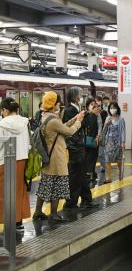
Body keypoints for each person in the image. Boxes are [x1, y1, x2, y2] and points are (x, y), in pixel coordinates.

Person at [33, 91, 84, 222]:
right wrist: (78, 123)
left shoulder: (46, 116)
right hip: (56, 158)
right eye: (58, 102)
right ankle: (54, 214)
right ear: (53, 104)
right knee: (57, 185)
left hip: (49, 157)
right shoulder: (53, 120)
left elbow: (61, 127)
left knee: (45, 185)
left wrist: (75, 118)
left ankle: (38, 212)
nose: (60, 105)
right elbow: (68, 131)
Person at [62, 87, 98, 209]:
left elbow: (85, 124)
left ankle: (86, 199)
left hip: (79, 146)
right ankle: (71, 202)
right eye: (80, 95)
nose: (82, 97)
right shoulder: (70, 110)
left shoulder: (76, 109)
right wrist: (87, 115)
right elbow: (75, 127)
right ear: (75, 97)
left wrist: (89, 114)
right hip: (74, 147)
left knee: (82, 174)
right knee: (75, 175)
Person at [0, 98, 31, 230]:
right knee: (19, 192)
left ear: (5, 110)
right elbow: (28, 143)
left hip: (5, 160)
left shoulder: (3, 123)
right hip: (21, 160)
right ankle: (18, 223)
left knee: (4, 194)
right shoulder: (25, 123)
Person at [104, 102, 126, 182]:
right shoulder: (107, 118)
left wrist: (123, 142)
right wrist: (106, 124)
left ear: (117, 109)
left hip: (117, 142)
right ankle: (108, 177)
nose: (112, 110)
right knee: (107, 159)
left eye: (114, 108)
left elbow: (123, 131)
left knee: (118, 159)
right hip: (108, 142)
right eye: (111, 108)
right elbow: (104, 130)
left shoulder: (121, 119)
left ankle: (120, 172)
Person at [84, 98, 102, 184]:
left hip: (94, 139)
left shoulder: (97, 114)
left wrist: (98, 135)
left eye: (94, 104)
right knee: (88, 157)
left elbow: (100, 125)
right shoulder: (85, 114)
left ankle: (91, 173)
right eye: (91, 104)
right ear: (87, 106)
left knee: (93, 156)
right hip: (85, 139)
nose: (93, 106)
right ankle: (89, 173)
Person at [95, 96, 107, 172]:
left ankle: (103, 166)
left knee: (101, 153)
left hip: (102, 134)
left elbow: (103, 125)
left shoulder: (104, 113)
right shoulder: (93, 113)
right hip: (94, 134)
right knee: (97, 153)